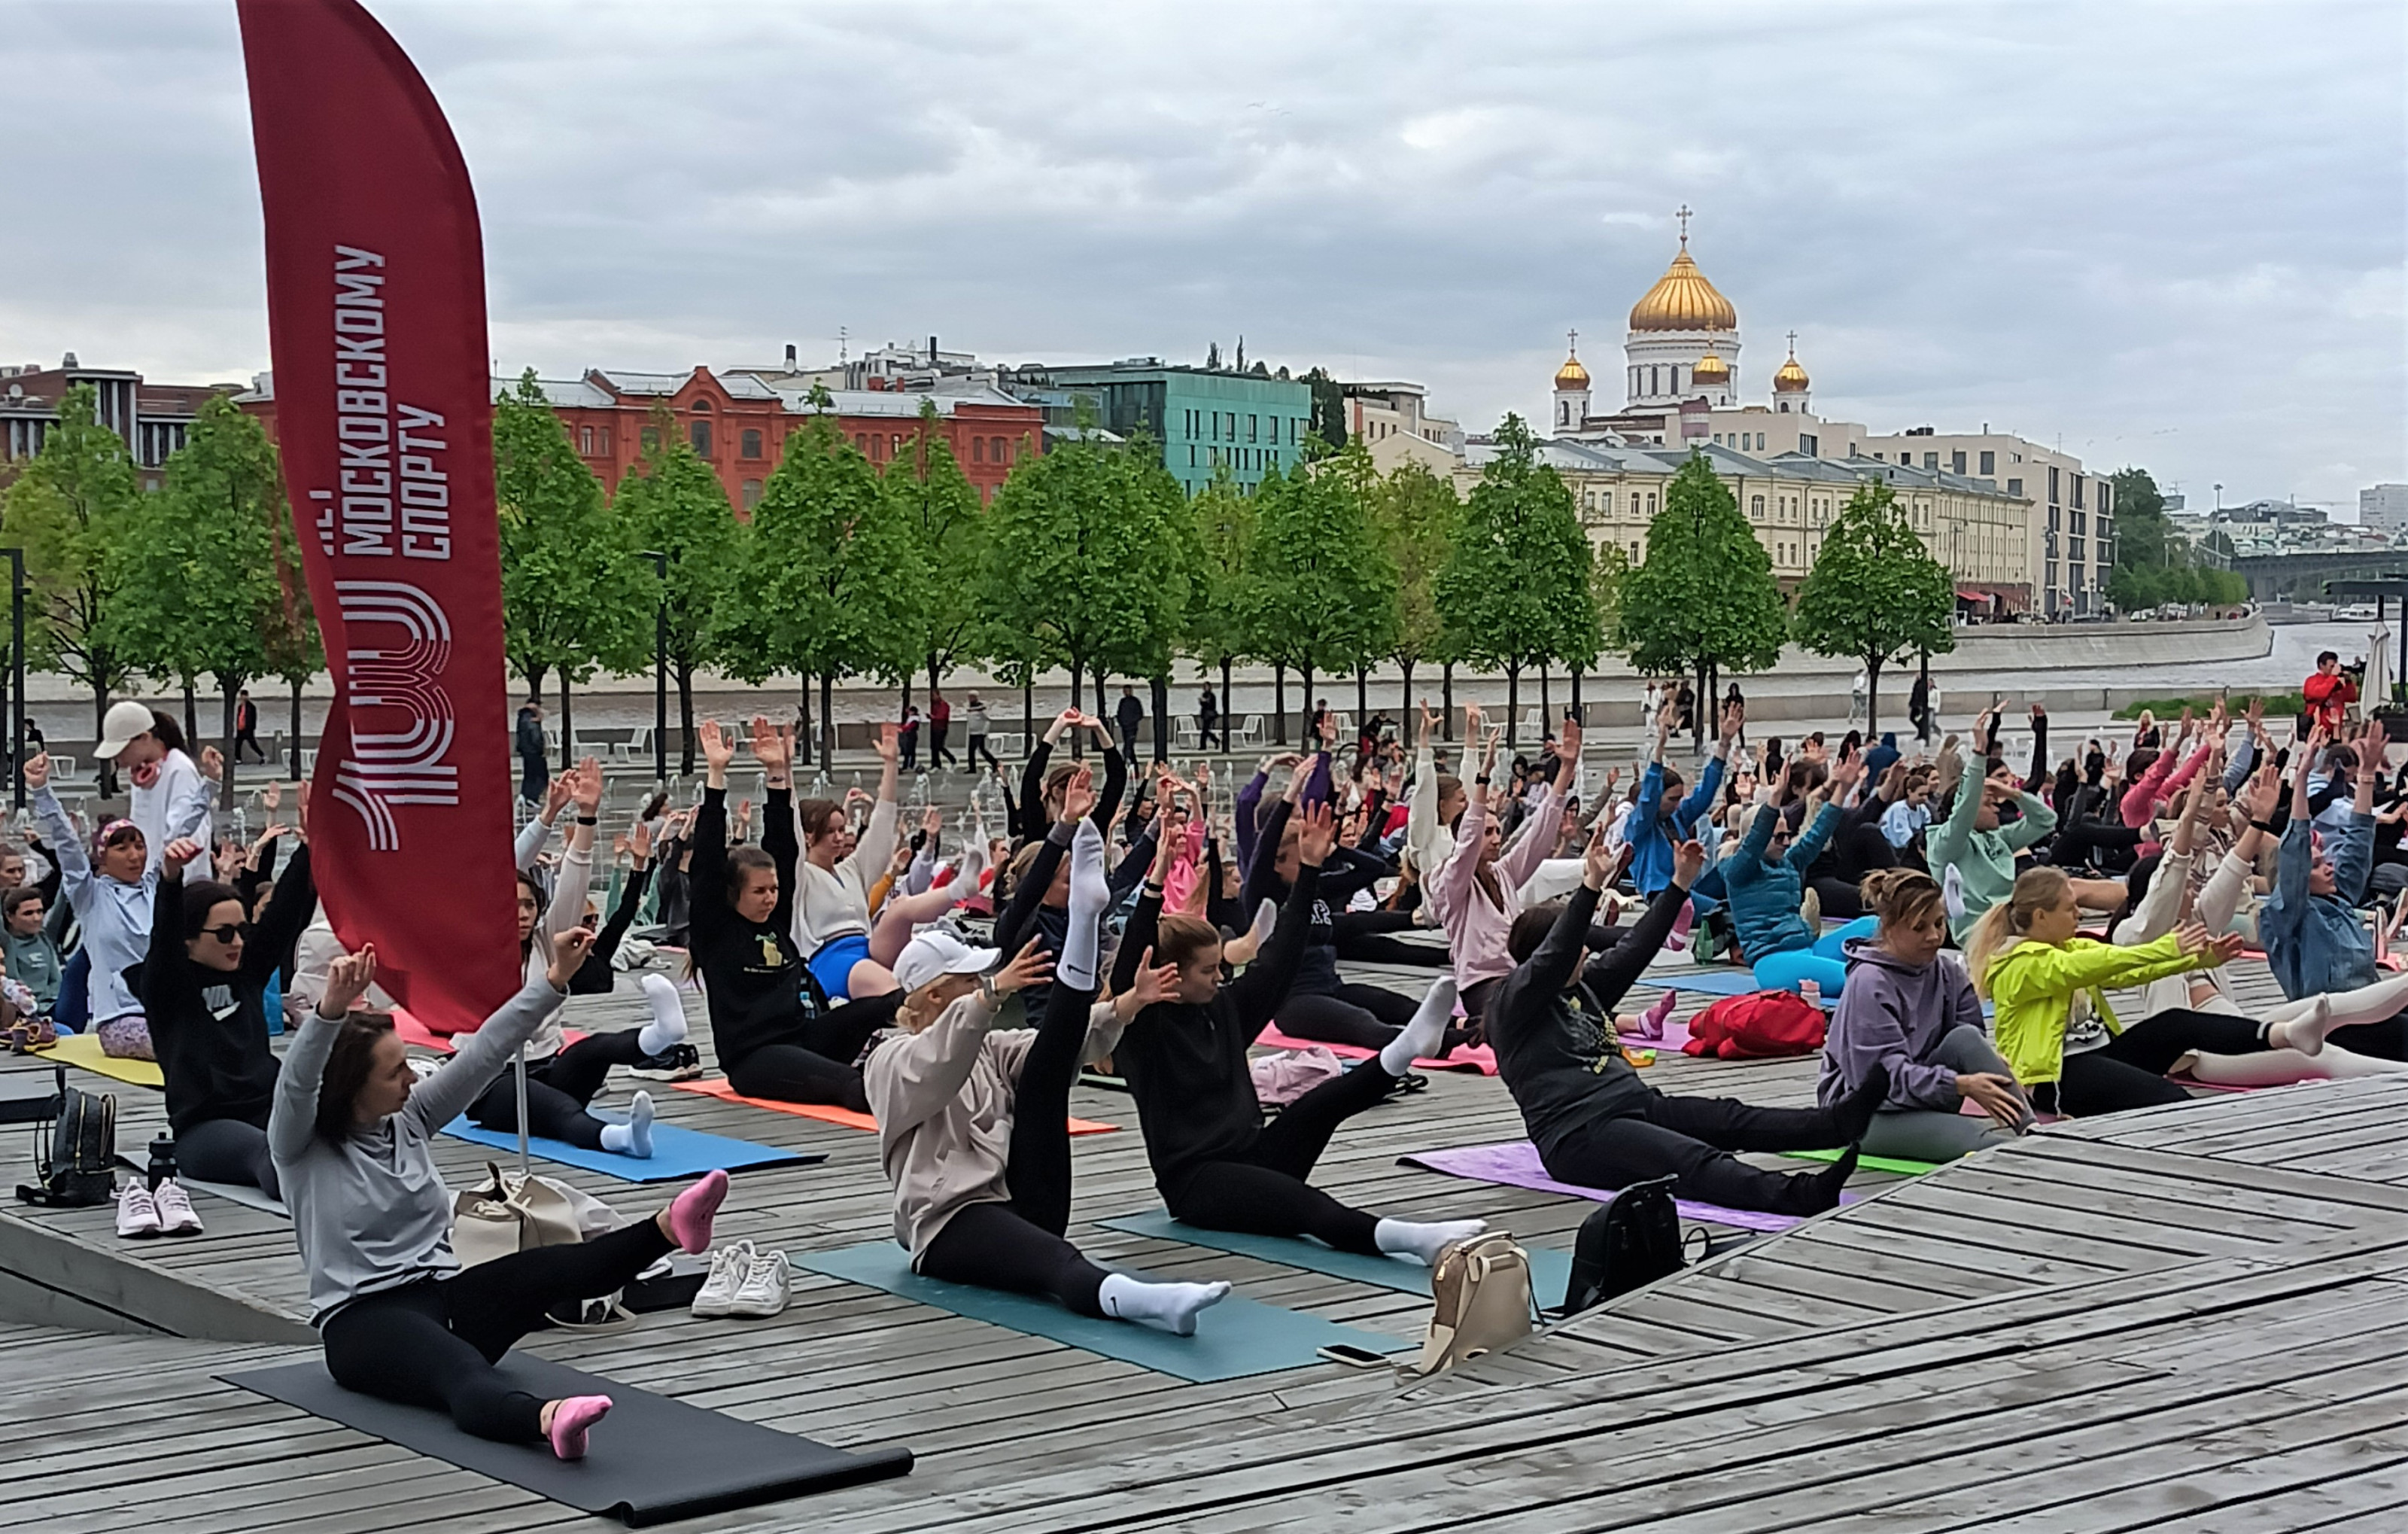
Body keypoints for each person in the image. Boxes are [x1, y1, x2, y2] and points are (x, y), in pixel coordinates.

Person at [270, 934, 731, 1460]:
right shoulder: (302, 1148)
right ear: (351, 1086)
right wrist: (329, 1013)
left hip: (444, 1301)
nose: (411, 1077)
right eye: (395, 1070)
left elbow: (486, 1050)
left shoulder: (409, 1120)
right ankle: (547, 1420)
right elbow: (297, 1085)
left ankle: (669, 1228)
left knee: (552, 1268)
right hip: (363, 1325)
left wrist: (554, 978)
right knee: (460, 1372)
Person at [866, 807, 1234, 1334]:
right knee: (1056, 1266)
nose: (978, 987)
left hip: (1023, 1198)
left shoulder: (987, 1046)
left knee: (1043, 1072)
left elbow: (1059, 1045)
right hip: (950, 1224)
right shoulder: (888, 1060)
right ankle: (1150, 1302)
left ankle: (1085, 921)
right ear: (931, 995)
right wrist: (991, 996)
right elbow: (937, 1067)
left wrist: (1128, 1004)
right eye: (967, 983)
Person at [1112, 801, 1489, 1265]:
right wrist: (1154, 885)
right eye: (1209, 970)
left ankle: (1410, 1045)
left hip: (1255, 1153)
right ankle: (1414, 1240)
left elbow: (1281, 961)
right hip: (1198, 1183)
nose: (1220, 977)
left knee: (1323, 1102)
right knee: (1305, 1208)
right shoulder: (1144, 1032)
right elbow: (1132, 961)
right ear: (1170, 974)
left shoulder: (1223, 1008)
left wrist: (1309, 869)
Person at [1486, 826, 1882, 1215]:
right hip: (1578, 1135)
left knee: (1729, 1117)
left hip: (1633, 1103)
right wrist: (1589, 888)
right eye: (1577, 946)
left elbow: (1635, 948)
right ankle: (1799, 1195)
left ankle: (1833, 1125)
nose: (1586, 950)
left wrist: (1679, 884)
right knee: (1688, 1158)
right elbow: (1557, 952)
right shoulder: (1513, 1003)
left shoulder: (1583, 987)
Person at [1970, 866, 2344, 1115]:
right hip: (2056, 1077)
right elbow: (2080, 969)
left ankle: (2286, 1034)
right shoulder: (2017, 965)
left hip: (2100, 1055)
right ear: (2040, 918)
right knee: (2171, 1099)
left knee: (2177, 1023)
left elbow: (2129, 969)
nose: (2080, 915)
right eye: (2071, 910)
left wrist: (2197, 961)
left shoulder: (2068, 947)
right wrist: (2170, 946)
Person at [456, 759, 678, 1158]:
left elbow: (573, 882)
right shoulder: (477, 946)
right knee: (561, 1112)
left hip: (546, 1067)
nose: (522, 913)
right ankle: (620, 1139)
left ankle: (660, 1037)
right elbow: (505, 872)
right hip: (491, 1082)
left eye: (528, 905)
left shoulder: (546, 939)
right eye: (511, 906)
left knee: (595, 1048)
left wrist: (587, 816)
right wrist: (547, 816)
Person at [689, 718, 901, 1109]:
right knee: (849, 1082)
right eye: (760, 892)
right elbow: (705, 863)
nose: (771, 898)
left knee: (890, 1003)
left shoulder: (776, 920)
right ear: (734, 894)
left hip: (804, 1036)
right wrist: (716, 775)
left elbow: (783, 849)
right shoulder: (716, 931)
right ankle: (923, 1110)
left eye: (774, 890)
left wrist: (776, 774)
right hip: (755, 1058)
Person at [137, 829, 316, 1201]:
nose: (236, 943)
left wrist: (309, 848)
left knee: (340, 1136)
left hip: (269, 1108)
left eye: (241, 932)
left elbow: (281, 919)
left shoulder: (246, 973)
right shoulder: (170, 989)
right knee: (273, 1156)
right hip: (207, 1128)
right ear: (189, 939)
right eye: (223, 934)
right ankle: (323, 1194)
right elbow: (164, 943)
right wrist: (171, 879)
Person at [1820, 868, 2032, 1162]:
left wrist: (1992, 1065)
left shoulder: (1947, 971)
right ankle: (2027, 1152)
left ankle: (2031, 1128)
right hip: (1863, 1111)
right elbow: (1881, 1080)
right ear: (1889, 928)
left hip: (1922, 1095)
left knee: (1966, 1037)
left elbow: (1968, 1041)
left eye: (1939, 923)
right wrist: (1959, 1085)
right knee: (1980, 1141)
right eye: (1920, 928)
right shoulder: (1870, 983)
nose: (1934, 936)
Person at [1245, 753, 1424, 1049]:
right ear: (1278, 862)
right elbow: (1263, 851)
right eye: (1299, 856)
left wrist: (1335, 849)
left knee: (1392, 1003)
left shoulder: (1314, 885)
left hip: (1332, 986)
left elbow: (1374, 868)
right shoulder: (1264, 893)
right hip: (1296, 1002)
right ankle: (1434, 1042)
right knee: (1364, 1021)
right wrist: (1292, 792)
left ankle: (1460, 1030)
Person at [2258, 720, 2408, 1060]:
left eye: (2323, 860)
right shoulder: (2289, 916)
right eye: (2316, 865)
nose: (2327, 865)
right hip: (2334, 1026)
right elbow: (2294, 851)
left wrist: (2367, 774)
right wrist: (2300, 778)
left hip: (2371, 1011)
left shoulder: (2338, 901)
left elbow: (2358, 843)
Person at [1436, 715, 1579, 1022]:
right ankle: (1463, 1027)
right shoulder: (1453, 882)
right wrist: (1483, 778)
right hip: (1482, 986)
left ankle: (1631, 1021)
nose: (1496, 838)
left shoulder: (1502, 873)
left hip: (1519, 975)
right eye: (1487, 832)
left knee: (1571, 994)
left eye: (1497, 831)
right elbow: (1467, 843)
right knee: (1538, 1008)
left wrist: (1565, 771)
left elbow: (1538, 838)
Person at [28, 752, 156, 1057]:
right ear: (102, 858)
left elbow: (176, 829)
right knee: (186, 1044)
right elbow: (68, 846)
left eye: (139, 846)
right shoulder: (91, 896)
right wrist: (41, 790)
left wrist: (208, 784)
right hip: (119, 1021)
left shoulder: (156, 890)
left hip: (164, 1012)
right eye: (122, 848)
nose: (134, 856)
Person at [1722, 762, 1877, 998]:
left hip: (1807, 950)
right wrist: (1774, 797)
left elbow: (1817, 834)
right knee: (1853, 979)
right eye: (1779, 837)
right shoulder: (1739, 871)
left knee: (1875, 925)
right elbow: (1754, 841)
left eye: (1788, 835)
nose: (1786, 842)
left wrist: (1843, 789)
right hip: (1774, 962)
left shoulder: (1788, 862)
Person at [791, 724, 905, 1000]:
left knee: (925, 969)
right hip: (829, 960)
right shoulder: (800, 875)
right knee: (896, 993)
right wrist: (783, 769)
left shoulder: (852, 869)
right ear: (808, 836)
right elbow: (788, 824)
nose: (840, 837)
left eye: (842, 830)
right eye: (830, 831)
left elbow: (881, 827)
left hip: (869, 949)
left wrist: (891, 765)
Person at [1926, 723, 2058, 943]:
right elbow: (1964, 809)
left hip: (2013, 926)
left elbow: (2046, 821)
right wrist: (1979, 754)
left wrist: (2014, 793)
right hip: (1980, 936)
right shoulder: (1946, 844)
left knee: (2063, 887)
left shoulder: (2000, 838)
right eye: (1989, 804)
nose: (1997, 807)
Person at [96, 702, 211, 878]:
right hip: (149, 882)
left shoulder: (179, 769)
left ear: (144, 738)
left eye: (121, 750)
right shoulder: (141, 773)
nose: (117, 757)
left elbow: (186, 832)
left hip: (177, 885)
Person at [3, 886, 61, 1013]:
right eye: (28, 913)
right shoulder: (6, 943)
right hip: (22, 1009)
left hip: (51, 1006)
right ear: (9, 916)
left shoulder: (44, 937)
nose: (36, 918)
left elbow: (56, 980)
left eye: (39, 911)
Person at [2303, 650, 2358, 735]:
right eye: (2331, 666)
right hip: (2317, 729)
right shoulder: (2311, 681)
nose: (2333, 669)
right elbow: (2320, 693)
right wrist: (2333, 677)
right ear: (2321, 665)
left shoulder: (2335, 682)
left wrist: (2348, 682)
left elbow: (2351, 698)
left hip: (2336, 729)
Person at [515, 703, 546, 807]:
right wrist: (540, 748)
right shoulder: (532, 720)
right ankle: (532, 798)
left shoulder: (522, 718)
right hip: (534, 752)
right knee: (541, 776)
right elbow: (535, 737)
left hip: (526, 751)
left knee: (529, 775)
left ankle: (524, 796)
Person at [963, 693, 998, 774]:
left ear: (976, 698)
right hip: (972, 732)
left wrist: (984, 732)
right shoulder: (969, 708)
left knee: (977, 750)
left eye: (972, 697)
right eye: (969, 697)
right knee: (976, 751)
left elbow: (988, 719)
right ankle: (973, 768)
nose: (970, 699)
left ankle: (994, 763)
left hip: (979, 733)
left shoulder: (982, 708)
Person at [926, 689, 956, 772]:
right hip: (935, 727)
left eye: (934, 695)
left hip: (941, 728)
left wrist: (933, 717)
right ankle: (936, 764)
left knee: (939, 746)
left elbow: (942, 716)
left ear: (938, 695)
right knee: (934, 747)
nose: (933, 697)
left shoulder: (944, 705)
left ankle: (952, 759)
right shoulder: (935, 705)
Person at [233, 689, 264, 764]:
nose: (243, 697)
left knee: (253, 744)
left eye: (245, 696)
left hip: (248, 730)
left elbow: (253, 719)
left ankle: (262, 756)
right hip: (240, 729)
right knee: (238, 744)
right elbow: (239, 717)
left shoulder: (251, 707)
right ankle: (238, 759)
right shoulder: (240, 707)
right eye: (242, 696)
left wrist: (252, 728)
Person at [1116, 686, 1145, 759]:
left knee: (1129, 743)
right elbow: (1119, 712)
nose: (1126, 692)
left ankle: (1127, 756)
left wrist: (1132, 721)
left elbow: (1140, 714)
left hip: (1132, 726)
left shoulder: (1135, 701)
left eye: (1128, 690)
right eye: (1125, 691)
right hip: (1124, 726)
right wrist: (1120, 721)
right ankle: (1130, 757)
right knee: (1127, 742)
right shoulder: (1122, 701)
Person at [897, 705, 921, 774]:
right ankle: (909, 765)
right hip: (911, 735)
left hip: (911, 736)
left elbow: (909, 726)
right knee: (910, 751)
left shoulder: (914, 719)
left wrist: (902, 729)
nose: (909, 712)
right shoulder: (913, 718)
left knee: (909, 751)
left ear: (913, 712)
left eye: (910, 711)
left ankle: (908, 765)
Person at [1197, 686, 1221, 753]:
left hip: (1209, 716)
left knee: (1205, 731)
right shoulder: (1204, 694)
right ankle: (1213, 742)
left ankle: (1206, 744)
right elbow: (1203, 705)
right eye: (1204, 687)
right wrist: (1202, 701)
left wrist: (1205, 701)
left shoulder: (1212, 696)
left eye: (1207, 687)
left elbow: (1212, 706)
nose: (1205, 688)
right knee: (1205, 731)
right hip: (1205, 715)